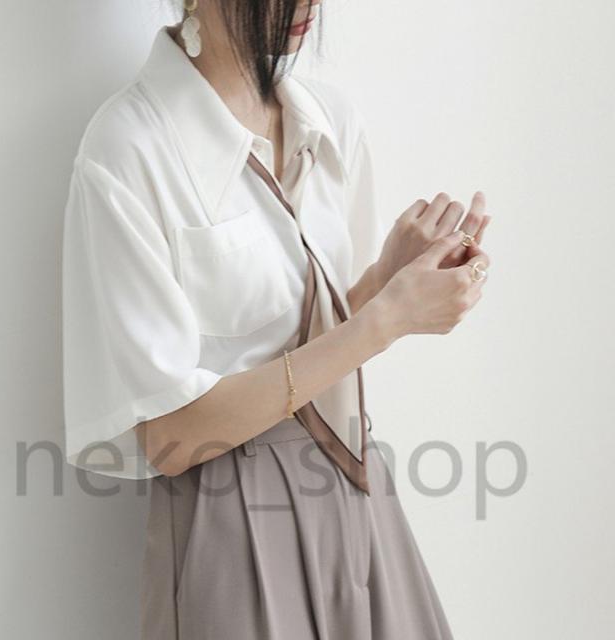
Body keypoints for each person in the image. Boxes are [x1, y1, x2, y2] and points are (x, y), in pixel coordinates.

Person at [61, 0, 491, 637]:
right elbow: (168, 434)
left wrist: (384, 284)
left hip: (358, 490)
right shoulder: (130, 147)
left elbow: (319, 348)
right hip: (231, 520)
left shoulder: (329, 121)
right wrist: (385, 319)